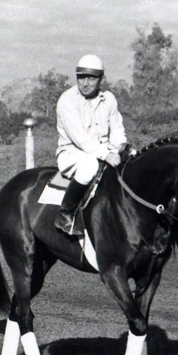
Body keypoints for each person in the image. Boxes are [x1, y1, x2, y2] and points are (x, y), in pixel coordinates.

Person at [53, 54, 128, 235]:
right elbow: (81, 139)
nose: (85, 83)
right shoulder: (67, 100)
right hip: (73, 154)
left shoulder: (109, 99)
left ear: (100, 79)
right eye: (81, 77)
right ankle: (65, 213)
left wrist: (120, 146)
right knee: (90, 167)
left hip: (105, 151)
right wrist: (107, 154)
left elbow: (117, 128)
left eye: (91, 78)